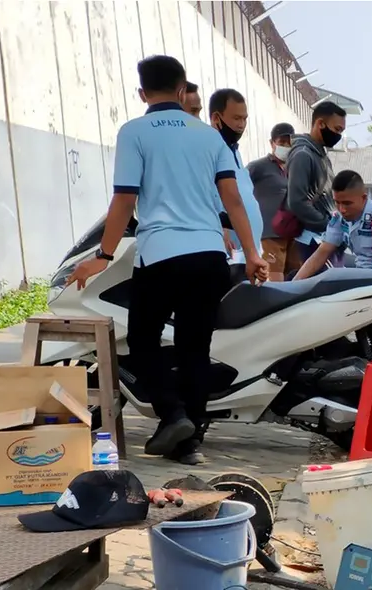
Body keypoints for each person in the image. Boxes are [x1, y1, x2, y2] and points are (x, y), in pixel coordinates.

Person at [66, 55, 267, 464]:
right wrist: (252, 254)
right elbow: (232, 200)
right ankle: (188, 445)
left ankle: (173, 415)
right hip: (210, 255)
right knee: (196, 347)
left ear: (142, 92)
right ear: (181, 90)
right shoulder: (209, 137)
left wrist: (103, 256)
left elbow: (124, 198)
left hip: (161, 255)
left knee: (141, 339)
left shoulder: (135, 132)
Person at [293, 170, 372, 278]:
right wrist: (293, 285)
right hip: (361, 274)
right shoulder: (339, 219)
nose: (342, 209)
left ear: (363, 198)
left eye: (347, 203)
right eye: (337, 202)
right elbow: (321, 254)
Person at [208, 89, 262, 271]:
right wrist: (218, 226)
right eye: (236, 118)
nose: (242, 125)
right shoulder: (206, 151)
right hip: (227, 254)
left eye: (245, 119)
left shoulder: (234, 152)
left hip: (249, 255)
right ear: (217, 118)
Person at [287, 101, 346, 265]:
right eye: (337, 129)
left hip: (325, 239)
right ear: (320, 124)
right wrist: (327, 225)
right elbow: (297, 201)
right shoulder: (303, 155)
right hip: (313, 241)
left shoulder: (321, 156)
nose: (339, 136)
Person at [248, 122, 299, 281]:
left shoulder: (297, 168)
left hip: (295, 234)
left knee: (297, 279)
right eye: (281, 142)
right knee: (276, 283)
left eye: (289, 142)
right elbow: (237, 190)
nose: (285, 146)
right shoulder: (258, 167)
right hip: (270, 234)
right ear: (272, 143)